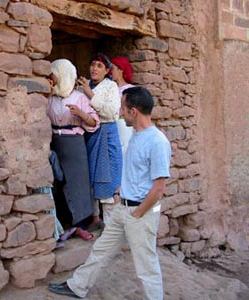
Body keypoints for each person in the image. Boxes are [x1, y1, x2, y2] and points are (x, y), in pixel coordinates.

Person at [48, 86, 172, 300]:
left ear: (134, 111)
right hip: (123, 209)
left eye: (123, 108)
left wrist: (137, 214)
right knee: (100, 251)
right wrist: (119, 191)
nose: (120, 112)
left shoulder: (157, 141)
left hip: (139, 213)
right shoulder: (137, 135)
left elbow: (159, 189)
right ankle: (77, 287)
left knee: (147, 266)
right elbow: (136, 172)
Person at [47, 59, 100, 241]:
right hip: (54, 142)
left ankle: (79, 224)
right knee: (57, 181)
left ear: (63, 75)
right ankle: (62, 223)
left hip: (74, 144)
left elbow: (94, 122)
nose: (51, 76)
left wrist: (81, 114)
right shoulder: (50, 96)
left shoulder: (78, 97)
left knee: (76, 183)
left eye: (54, 72)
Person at [77, 53, 123, 228]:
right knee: (90, 176)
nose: (94, 68)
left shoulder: (110, 87)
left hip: (106, 134)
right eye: (93, 65)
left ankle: (112, 226)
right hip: (89, 134)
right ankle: (95, 219)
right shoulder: (84, 85)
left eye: (99, 66)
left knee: (107, 176)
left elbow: (112, 112)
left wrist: (90, 95)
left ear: (106, 71)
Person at [111, 56, 135, 157]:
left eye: (113, 69)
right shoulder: (109, 88)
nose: (110, 72)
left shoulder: (130, 90)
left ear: (120, 70)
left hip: (123, 125)